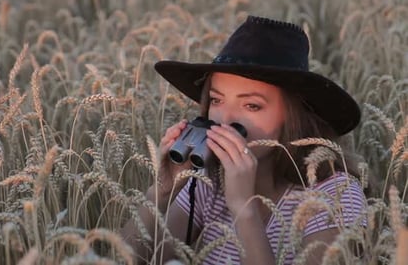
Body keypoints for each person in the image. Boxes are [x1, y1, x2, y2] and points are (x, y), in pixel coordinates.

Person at [121, 15, 367, 265]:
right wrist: (162, 191)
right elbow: (131, 260)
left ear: (293, 118)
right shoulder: (207, 182)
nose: (225, 120)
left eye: (251, 105)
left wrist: (243, 207)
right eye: (216, 100)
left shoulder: (334, 195)